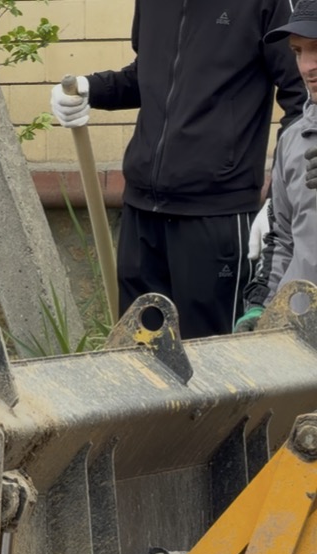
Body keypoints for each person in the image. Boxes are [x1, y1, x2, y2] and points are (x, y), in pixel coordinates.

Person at [50, 0, 306, 339]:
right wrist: (91, 88)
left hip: (216, 213)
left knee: (213, 358)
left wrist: (279, 199)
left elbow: (301, 97)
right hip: (141, 211)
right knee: (140, 350)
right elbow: (150, 74)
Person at [239, 0, 317, 332]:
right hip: (297, 336)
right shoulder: (294, 140)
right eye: (298, 51)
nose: (307, 66)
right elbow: (281, 240)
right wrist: (260, 309)